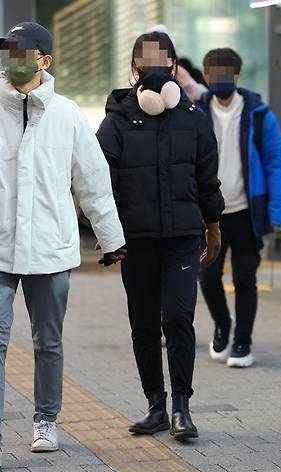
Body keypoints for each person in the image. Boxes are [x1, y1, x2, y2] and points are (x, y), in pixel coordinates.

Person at [0, 22, 126, 468]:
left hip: (50, 249)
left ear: (44, 60)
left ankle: (45, 420)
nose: (12, 59)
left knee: (48, 342)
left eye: (22, 51)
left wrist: (111, 238)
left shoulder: (69, 115)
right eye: (6, 51)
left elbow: (93, 183)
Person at [96, 32, 224, 441]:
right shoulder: (116, 118)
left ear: (173, 67)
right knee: (144, 323)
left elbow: (207, 178)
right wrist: (107, 230)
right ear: (133, 67)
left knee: (178, 317)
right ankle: (155, 405)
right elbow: (101, 179)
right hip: (136, 239)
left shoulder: (193, 118)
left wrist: (214, 225)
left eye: (160, 60)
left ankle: (181, 408)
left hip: (183, 236)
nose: (151, 68)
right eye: (144, 60)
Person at [197, 48, 281, 368]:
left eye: (226, 75)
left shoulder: (259, 112)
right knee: (207, 276)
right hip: (209, 212)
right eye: (213, 76)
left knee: (245, 278)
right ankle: (223, 324)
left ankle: (243, 342)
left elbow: (276, 161)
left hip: (248, 211)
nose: (219, 81)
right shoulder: (195, 111)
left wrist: (276, 211)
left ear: (237, 76)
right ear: (206, 77)